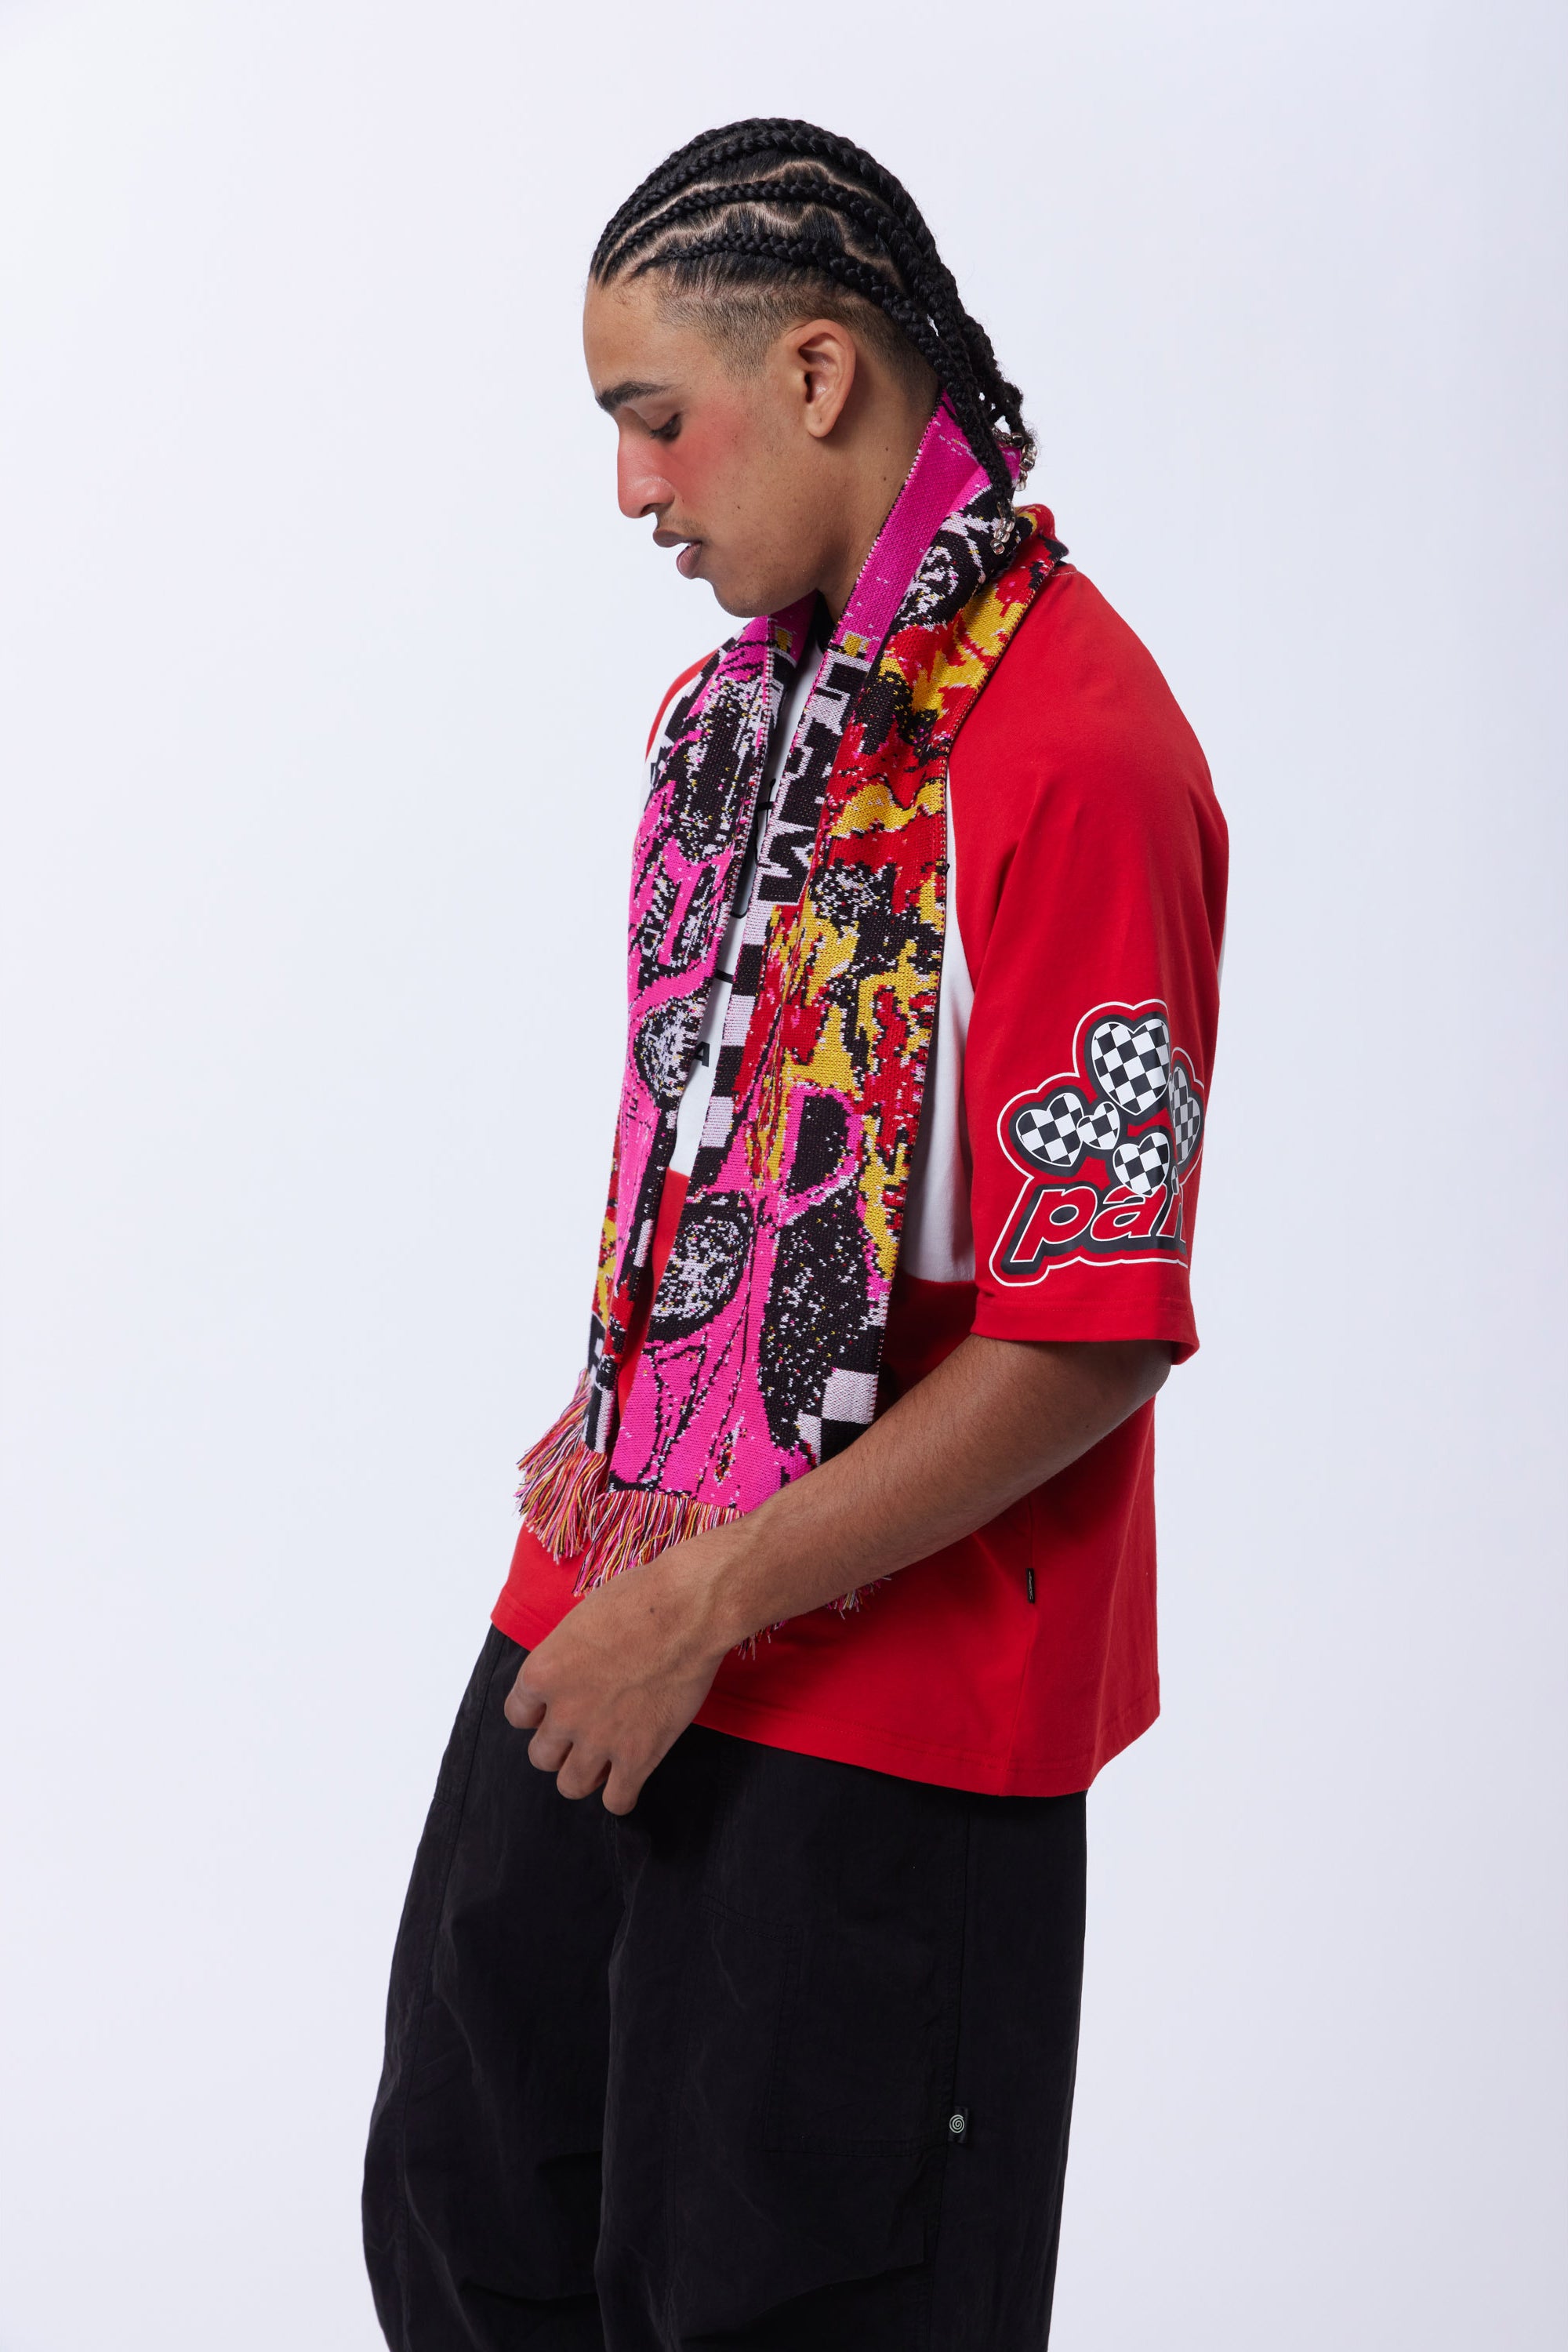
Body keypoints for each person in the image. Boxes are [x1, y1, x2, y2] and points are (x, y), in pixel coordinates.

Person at [364, 118, 1228, 2352]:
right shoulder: (726, 720)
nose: (630, 489)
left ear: (819, 374)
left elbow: (1088, 1328)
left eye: (655, 418)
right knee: (469, 2205)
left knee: (788, 2294)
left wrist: (705, 1607)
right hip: (610, 1577)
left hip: (899, 1686)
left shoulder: (1083, 753)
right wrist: (636, 1581)